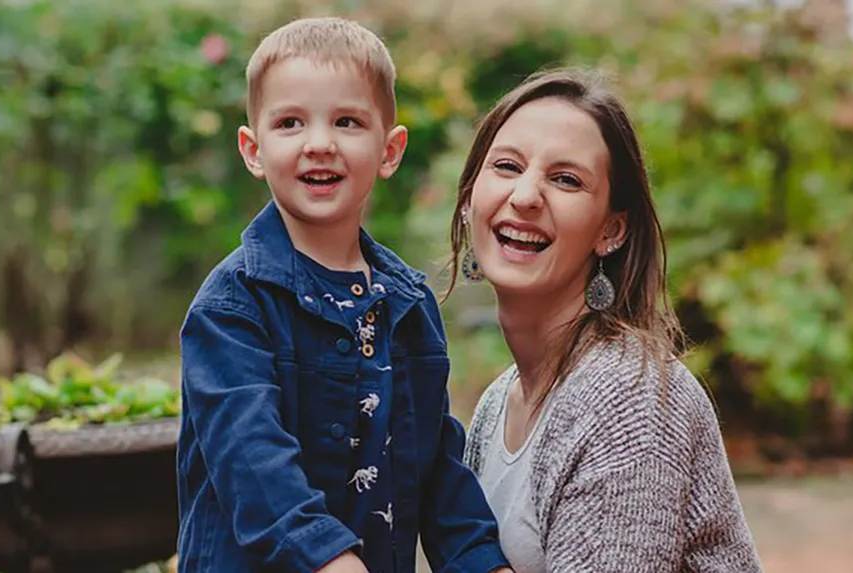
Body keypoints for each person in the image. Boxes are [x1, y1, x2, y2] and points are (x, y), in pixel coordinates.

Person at [176, 17, 511, 573]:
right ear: (253, 150)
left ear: (389, 150)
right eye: (290, 123)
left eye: (348, 121)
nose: (319, 144)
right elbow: (257, 470)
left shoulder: (407, 306)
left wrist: (483, 561)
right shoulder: (232, 307)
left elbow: (438, 474)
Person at [451, 68, 763, 572]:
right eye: (507, 166)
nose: (526, 196)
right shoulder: (495, 406)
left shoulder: (628, 399)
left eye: (566, 179)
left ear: (611, 230)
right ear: (469, 199)